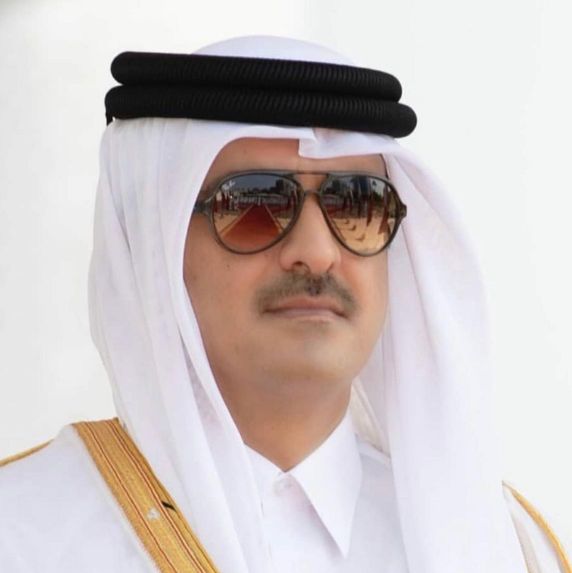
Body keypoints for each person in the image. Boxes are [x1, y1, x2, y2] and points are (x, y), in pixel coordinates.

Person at [0, 35, 569, 573]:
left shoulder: (504, 548)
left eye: (357, 205)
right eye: (254, 204)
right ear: (154, 245)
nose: (317, 253)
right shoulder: (23, 533)